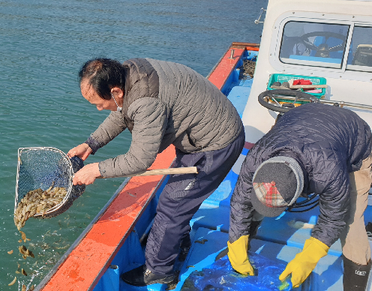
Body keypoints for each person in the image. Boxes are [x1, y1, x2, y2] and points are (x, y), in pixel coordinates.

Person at [67, 58, 245, 286]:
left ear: (115, 91)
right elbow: (123, 112)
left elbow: (140, 160)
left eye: (98, 103)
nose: (98, 108)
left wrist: (97, 170)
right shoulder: (130, 73)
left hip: (215, 145)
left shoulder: (146, 102)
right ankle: (178, 240)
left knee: (173, 203)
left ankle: (159, 270)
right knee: (177, 198)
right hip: (198, 134)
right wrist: (91, 144)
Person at [227, 103, 372, 291]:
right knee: (252, 201)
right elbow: (240, 200)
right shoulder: (256, 158)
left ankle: (356, 280)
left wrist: (309, 258)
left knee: (351, 219)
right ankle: (244, 248)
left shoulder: (330, 173)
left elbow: (334, 218)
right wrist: (236, 241)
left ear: (298, 195)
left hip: (353, 135)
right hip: (302, 117)